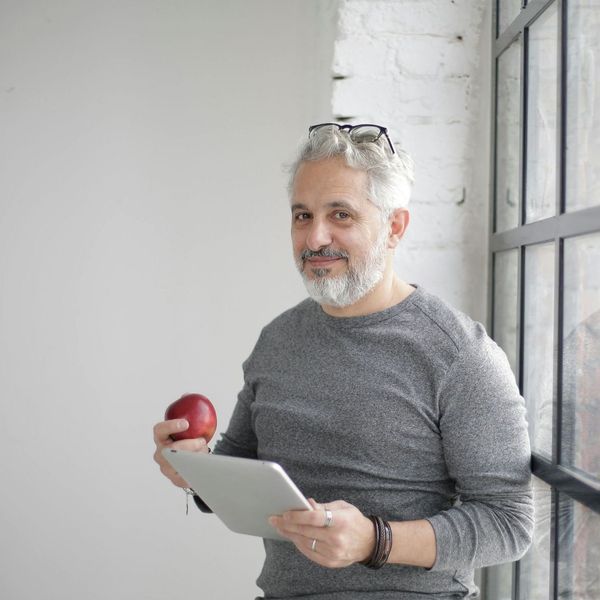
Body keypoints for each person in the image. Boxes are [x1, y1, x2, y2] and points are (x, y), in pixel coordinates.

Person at [153, 123, 534, 599]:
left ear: (394, 227)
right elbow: (242, 467)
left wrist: (376, 540)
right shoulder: (277, 340)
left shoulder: (461, 355)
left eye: (341, 215)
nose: (315, 237)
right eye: (302, 215)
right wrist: (194, 470)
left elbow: (509, 523)